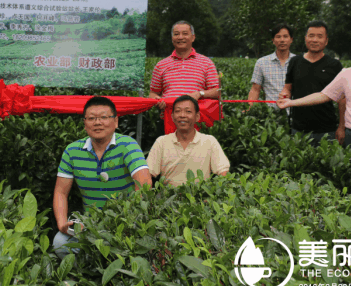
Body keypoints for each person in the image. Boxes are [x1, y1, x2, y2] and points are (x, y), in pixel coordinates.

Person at [52, 96, 151, 258]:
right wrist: (62, 223)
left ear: (116, 122)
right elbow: (60, 192)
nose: (97, 122)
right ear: (85, 123)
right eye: (91, 118)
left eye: (104, 117)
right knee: (60, 243)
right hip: (90, 223)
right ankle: (82, 279)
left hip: (124, 222)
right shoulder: (72, 151)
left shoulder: (128, 145)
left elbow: (144, 183)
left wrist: (131, 219)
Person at [280, 21, 345, 145]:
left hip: (327, 129)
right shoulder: (295, 62)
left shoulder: (334, 65)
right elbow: (287, 88)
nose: (314, 40)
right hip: (299, 128)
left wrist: (341, 127)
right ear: (305, 38)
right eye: (311, 36)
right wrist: (284, 94)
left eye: (319, 36)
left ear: (326, 40)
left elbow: (342, 99)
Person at [147, 95, 229, 186]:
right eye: (178, 111)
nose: (182, 115)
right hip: (168, 198)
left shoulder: (209, 141)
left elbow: (223, 171)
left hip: (201, 197)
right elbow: (148, 173)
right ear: (172, 116)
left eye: (188, 111)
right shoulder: (161, 142)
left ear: (197, 116)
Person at [149, 20, 221, 111]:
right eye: (176, 34)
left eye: (185, 33)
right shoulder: (161, 65)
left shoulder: (207, 63)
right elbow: (153, 93)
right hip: (167, 117)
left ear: (193, 37)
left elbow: (217, 92)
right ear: (172, 38)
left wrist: (200, 93)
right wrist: (156, 100)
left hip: (197, 118)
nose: (180, 37)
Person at [248, 23, 295, 109]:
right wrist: (249, 109)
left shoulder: (298, 62)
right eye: (278, 37)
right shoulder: (261, 63)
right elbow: (255, 89)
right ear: (273, 40)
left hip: (295, 113)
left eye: (285, 36)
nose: (282, 40)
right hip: (271, 114)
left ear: (291, 39)